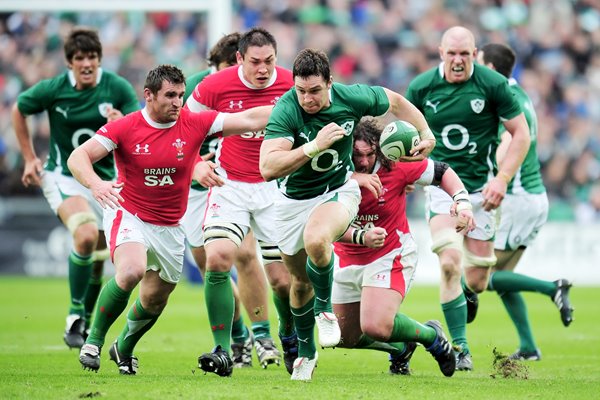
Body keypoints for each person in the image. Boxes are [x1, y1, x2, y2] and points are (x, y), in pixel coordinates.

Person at [68, 64, 272, 375]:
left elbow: (248, 119)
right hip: (130, 212)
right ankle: (93, 341)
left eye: (180, 95)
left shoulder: (194, 122)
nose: (178, 102)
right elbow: (78, 157)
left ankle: (123, 347)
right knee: (132, 270)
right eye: (170, 96)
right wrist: (96, 184)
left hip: (170, 227)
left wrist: (295, 104)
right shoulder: (125, 127)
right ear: (148, 96)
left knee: (153, 299)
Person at [259, 48, 436, 381]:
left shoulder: (351, 97)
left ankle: (324, 312)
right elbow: (267, 168)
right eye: (301, 90)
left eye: (314, 90)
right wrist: (314, 145)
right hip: (292, 202)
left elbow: (395, 102)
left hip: (338, 191)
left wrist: (425, 132)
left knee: (317, 238)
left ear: (330, 82)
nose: (307, 99)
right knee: (298, 284)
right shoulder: (286, 111)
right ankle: (306, 354)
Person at [405, 26, 531, 371]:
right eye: (452, 54)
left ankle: (465, 294)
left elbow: (521, 134)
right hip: (441, 187)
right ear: (440, 52)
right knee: (448, 262)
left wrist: (502, 179)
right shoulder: (421, 87)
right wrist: (405, 170)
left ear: (475, 54)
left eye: (466, 54)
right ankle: (460, 348)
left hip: (482, 192)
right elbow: (402, 135)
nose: (458, 61)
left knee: (476, 280)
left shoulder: (493, 84)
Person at [11, 27, 139, 349]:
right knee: (84, 234)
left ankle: (84, 316)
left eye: (92, 57)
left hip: (106, 181)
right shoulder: (54, 89)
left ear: (100, 59)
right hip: (62, 175)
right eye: (80, 58)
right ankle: (73, 316)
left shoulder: (117, 87)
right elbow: (20, 109)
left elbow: (139, 126)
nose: (87, 64)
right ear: (69, 62)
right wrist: (29, 157)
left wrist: (121, 119)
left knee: (98, 256)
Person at [187, 27, 296, 375]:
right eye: (255, 62)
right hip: (229, 183)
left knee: (283, 279)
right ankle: (225, 347)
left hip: (277, 188)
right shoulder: (212, 86)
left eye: (269, 61)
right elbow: (178, 131)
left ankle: (288, 338)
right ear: (238, 59)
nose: (263, 69)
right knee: (218, 259)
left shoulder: (294, 84)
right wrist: (195, 164)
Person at [332, 117, 476, 378]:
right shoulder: (332, 173)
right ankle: (401, 347)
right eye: (356, 155)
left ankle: (432, 336)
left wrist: (462, 202)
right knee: (343, 338)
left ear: (379, 150)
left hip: (389, 253)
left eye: (369, 154)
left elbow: (442, 171)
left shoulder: (396, 166)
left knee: (375, 325)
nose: (363, 161)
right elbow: (323, 223)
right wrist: (360, 236)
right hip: (346, 258)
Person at [477, 43, 574, 361]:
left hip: (518, 200)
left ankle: (553, 287)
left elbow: (508, 140)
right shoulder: (520, 95)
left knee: (479, 278)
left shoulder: (505, 98)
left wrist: (497, 176)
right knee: (503, 282)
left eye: (478, 63)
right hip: (531, 197)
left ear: (489, 68)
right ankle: (529, 346)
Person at [181, 32, 263, 369]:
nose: (233, 74)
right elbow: (175, 133)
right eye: (226, 66)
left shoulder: (252, 90)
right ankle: (239, 335)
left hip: (232, 188)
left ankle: (263, 335)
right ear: (215, 66)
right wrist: (197, 163)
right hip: (195, 191)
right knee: (208, 265)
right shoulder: (199, 89)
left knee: (243, 254)